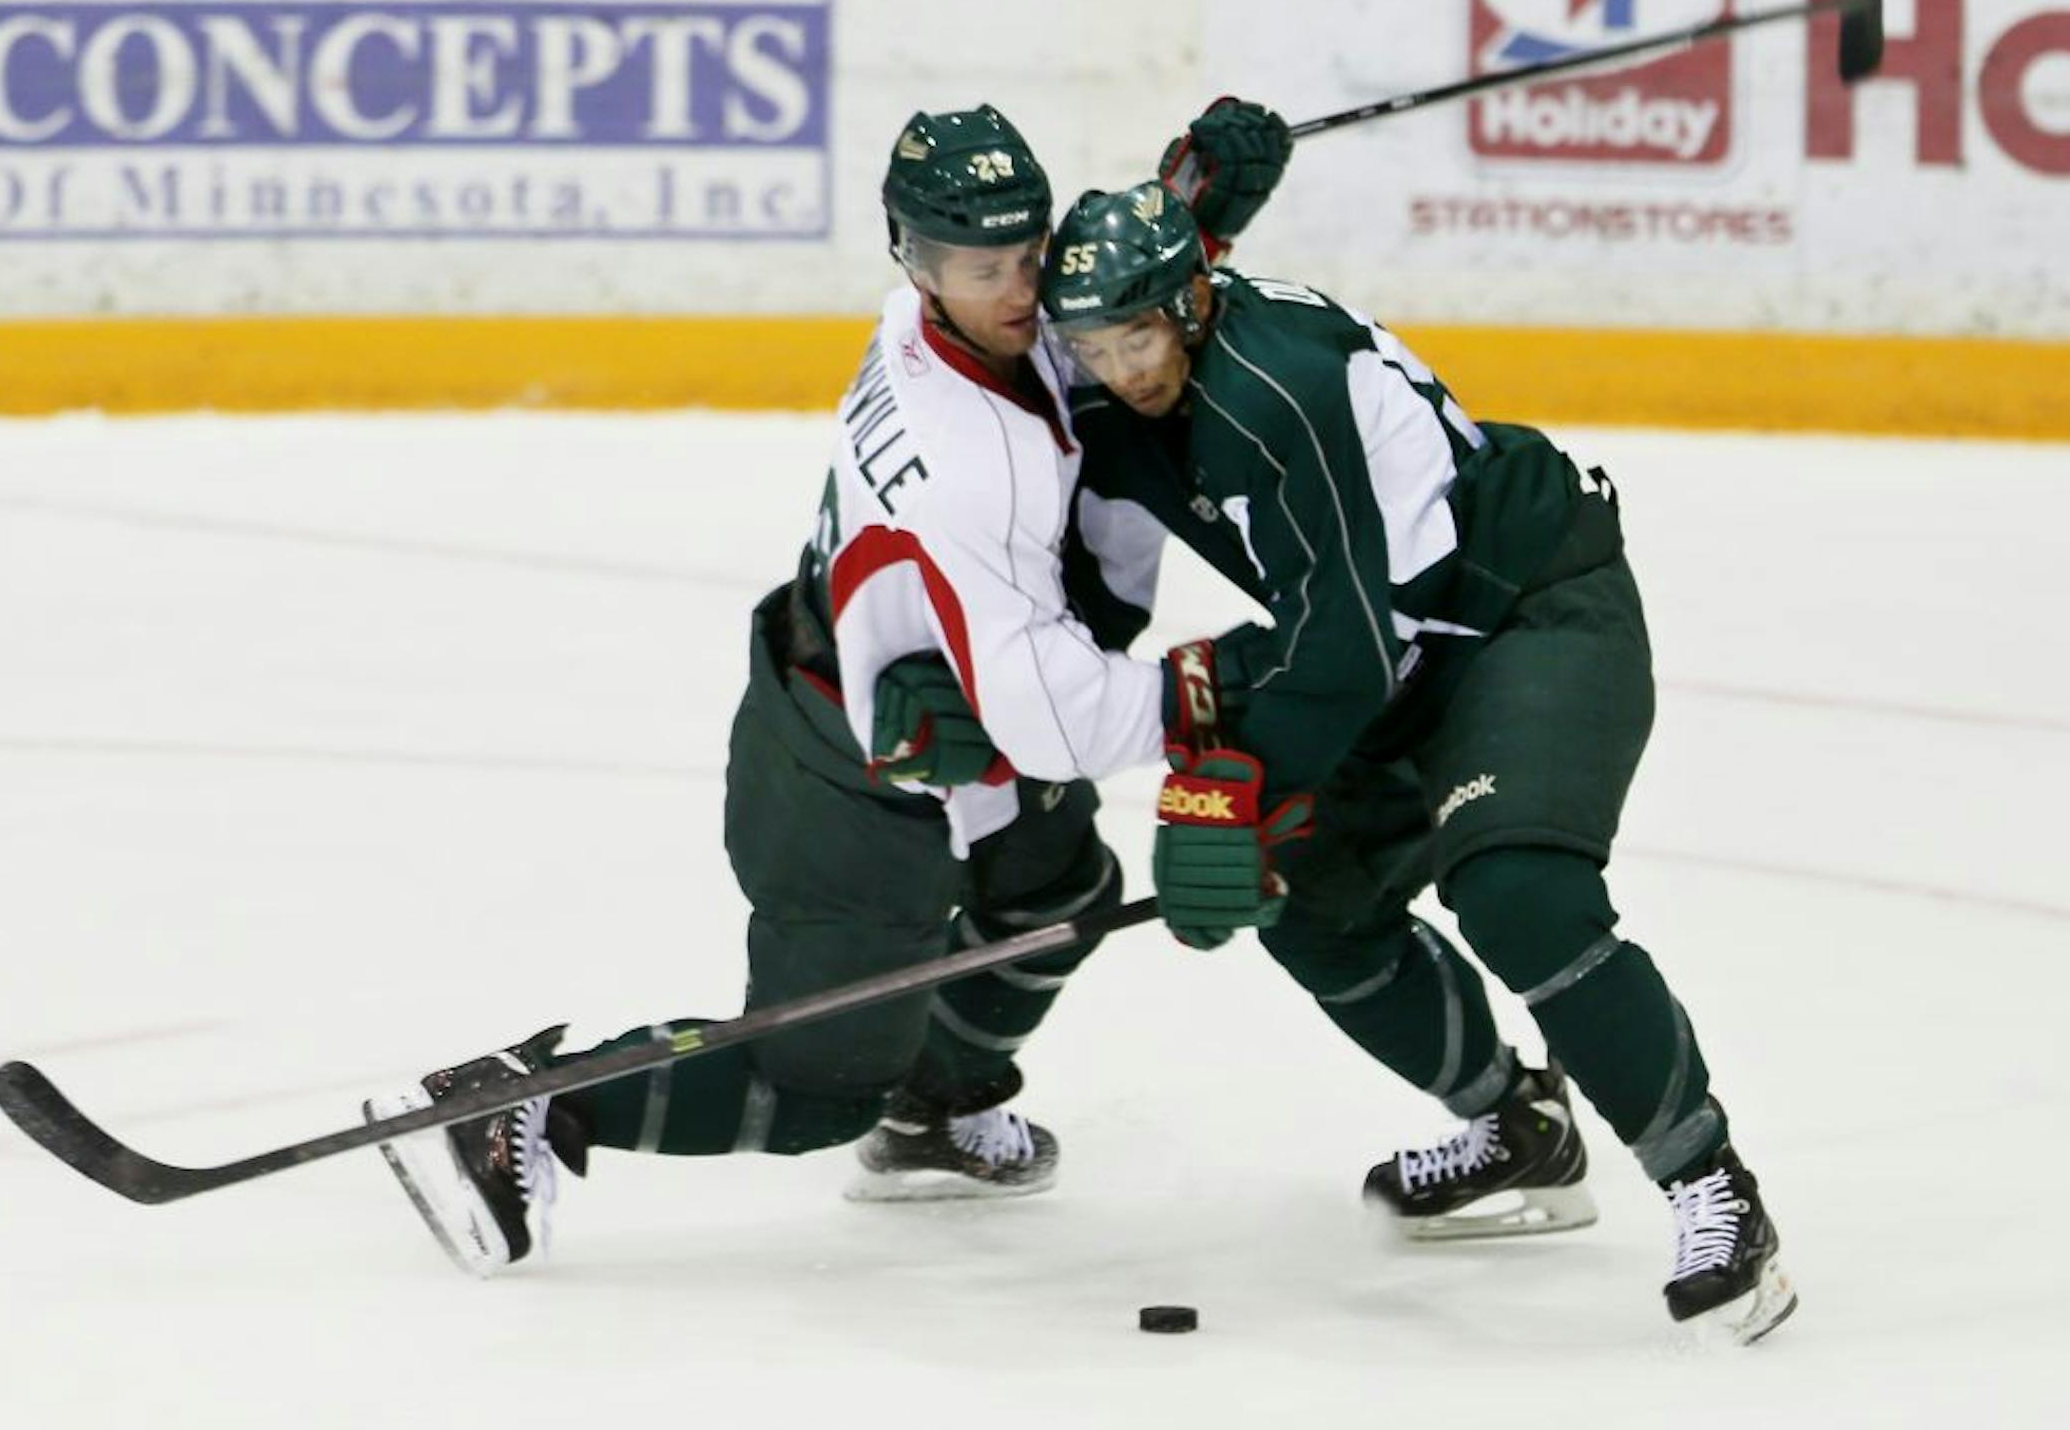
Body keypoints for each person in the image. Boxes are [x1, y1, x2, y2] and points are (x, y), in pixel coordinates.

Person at [361, 105, 1292, 1278]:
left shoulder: (944, 320)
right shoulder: (974, 462)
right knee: (813, 1093)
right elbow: (1054, 720)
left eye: (1029, 254)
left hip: (934, 711)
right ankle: (525, 1101)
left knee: (1061, 888)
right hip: (850, 768)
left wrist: (1189, 216)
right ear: (915, 262)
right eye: (979, 267)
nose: (1017, 290)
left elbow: (1083, 320)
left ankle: (940, 1111)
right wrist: (1227, 689)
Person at [1022, 180, 1795, 1345]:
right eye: (1093, 343)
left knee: (1519, 891)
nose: (1120, 367)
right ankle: (1515, 1128)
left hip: (1523, 605)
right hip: (1397, 645)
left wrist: (1233, 793)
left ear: (1187, 302)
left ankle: (1713, 1192)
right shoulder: (1130, 381)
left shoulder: (1270, 392)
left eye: (1136, 335)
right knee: (1308, 903)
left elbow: (1335, 655)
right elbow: (1329, 641)